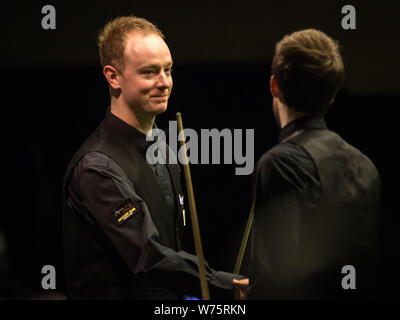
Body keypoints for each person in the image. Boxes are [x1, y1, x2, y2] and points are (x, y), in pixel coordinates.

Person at [62, 16, 247, 299]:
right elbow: (148, 257)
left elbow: (172, 247)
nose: (164, 83)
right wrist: (224, 285)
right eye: (149, 72)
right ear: (113, 77)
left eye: (168, 70)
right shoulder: (96, 167)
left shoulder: (162, 144)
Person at [246, 29, 381, 299]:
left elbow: (275, 279)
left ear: (274, 85)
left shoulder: (280, 163)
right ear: (332, 95)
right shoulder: (365, 165)